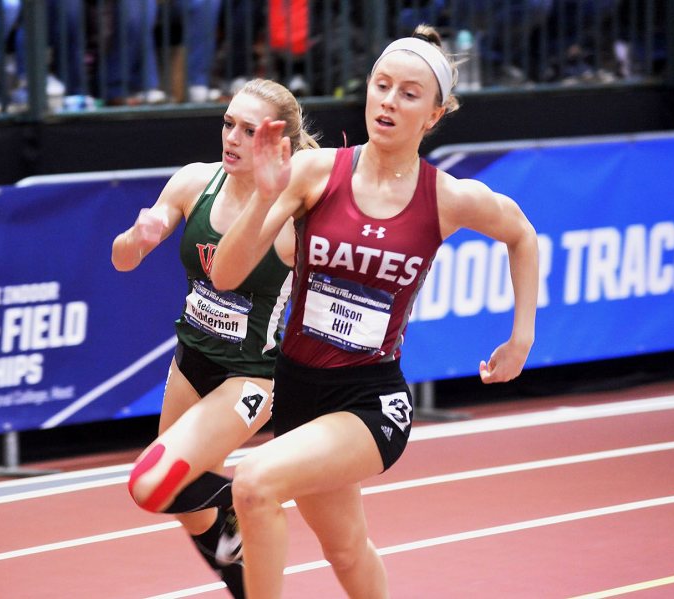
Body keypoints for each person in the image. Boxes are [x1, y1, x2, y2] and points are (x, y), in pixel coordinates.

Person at [210, 24, 539, 597]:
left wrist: (522, 336)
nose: (388, 101)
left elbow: (522, 235)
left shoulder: (448, 198)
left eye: (409, 94)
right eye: (381, 86)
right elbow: (227, 276)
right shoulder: (316, 173)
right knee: (345, 548)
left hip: (370, 400)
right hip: (296, 390)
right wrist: (264, 195)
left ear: (433, 116)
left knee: (255, 483)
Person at [111, 78, 319, 597]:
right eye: (228, 123)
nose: (231, 138)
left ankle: (252, 498)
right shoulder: (192, 182)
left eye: (248, 131)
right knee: (179, 505)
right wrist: (137, 239)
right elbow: (122, 258)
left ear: (276, 144)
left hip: (250, 377)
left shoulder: (294, 218)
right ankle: (243, 571)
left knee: (158, 482)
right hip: (190, 361)